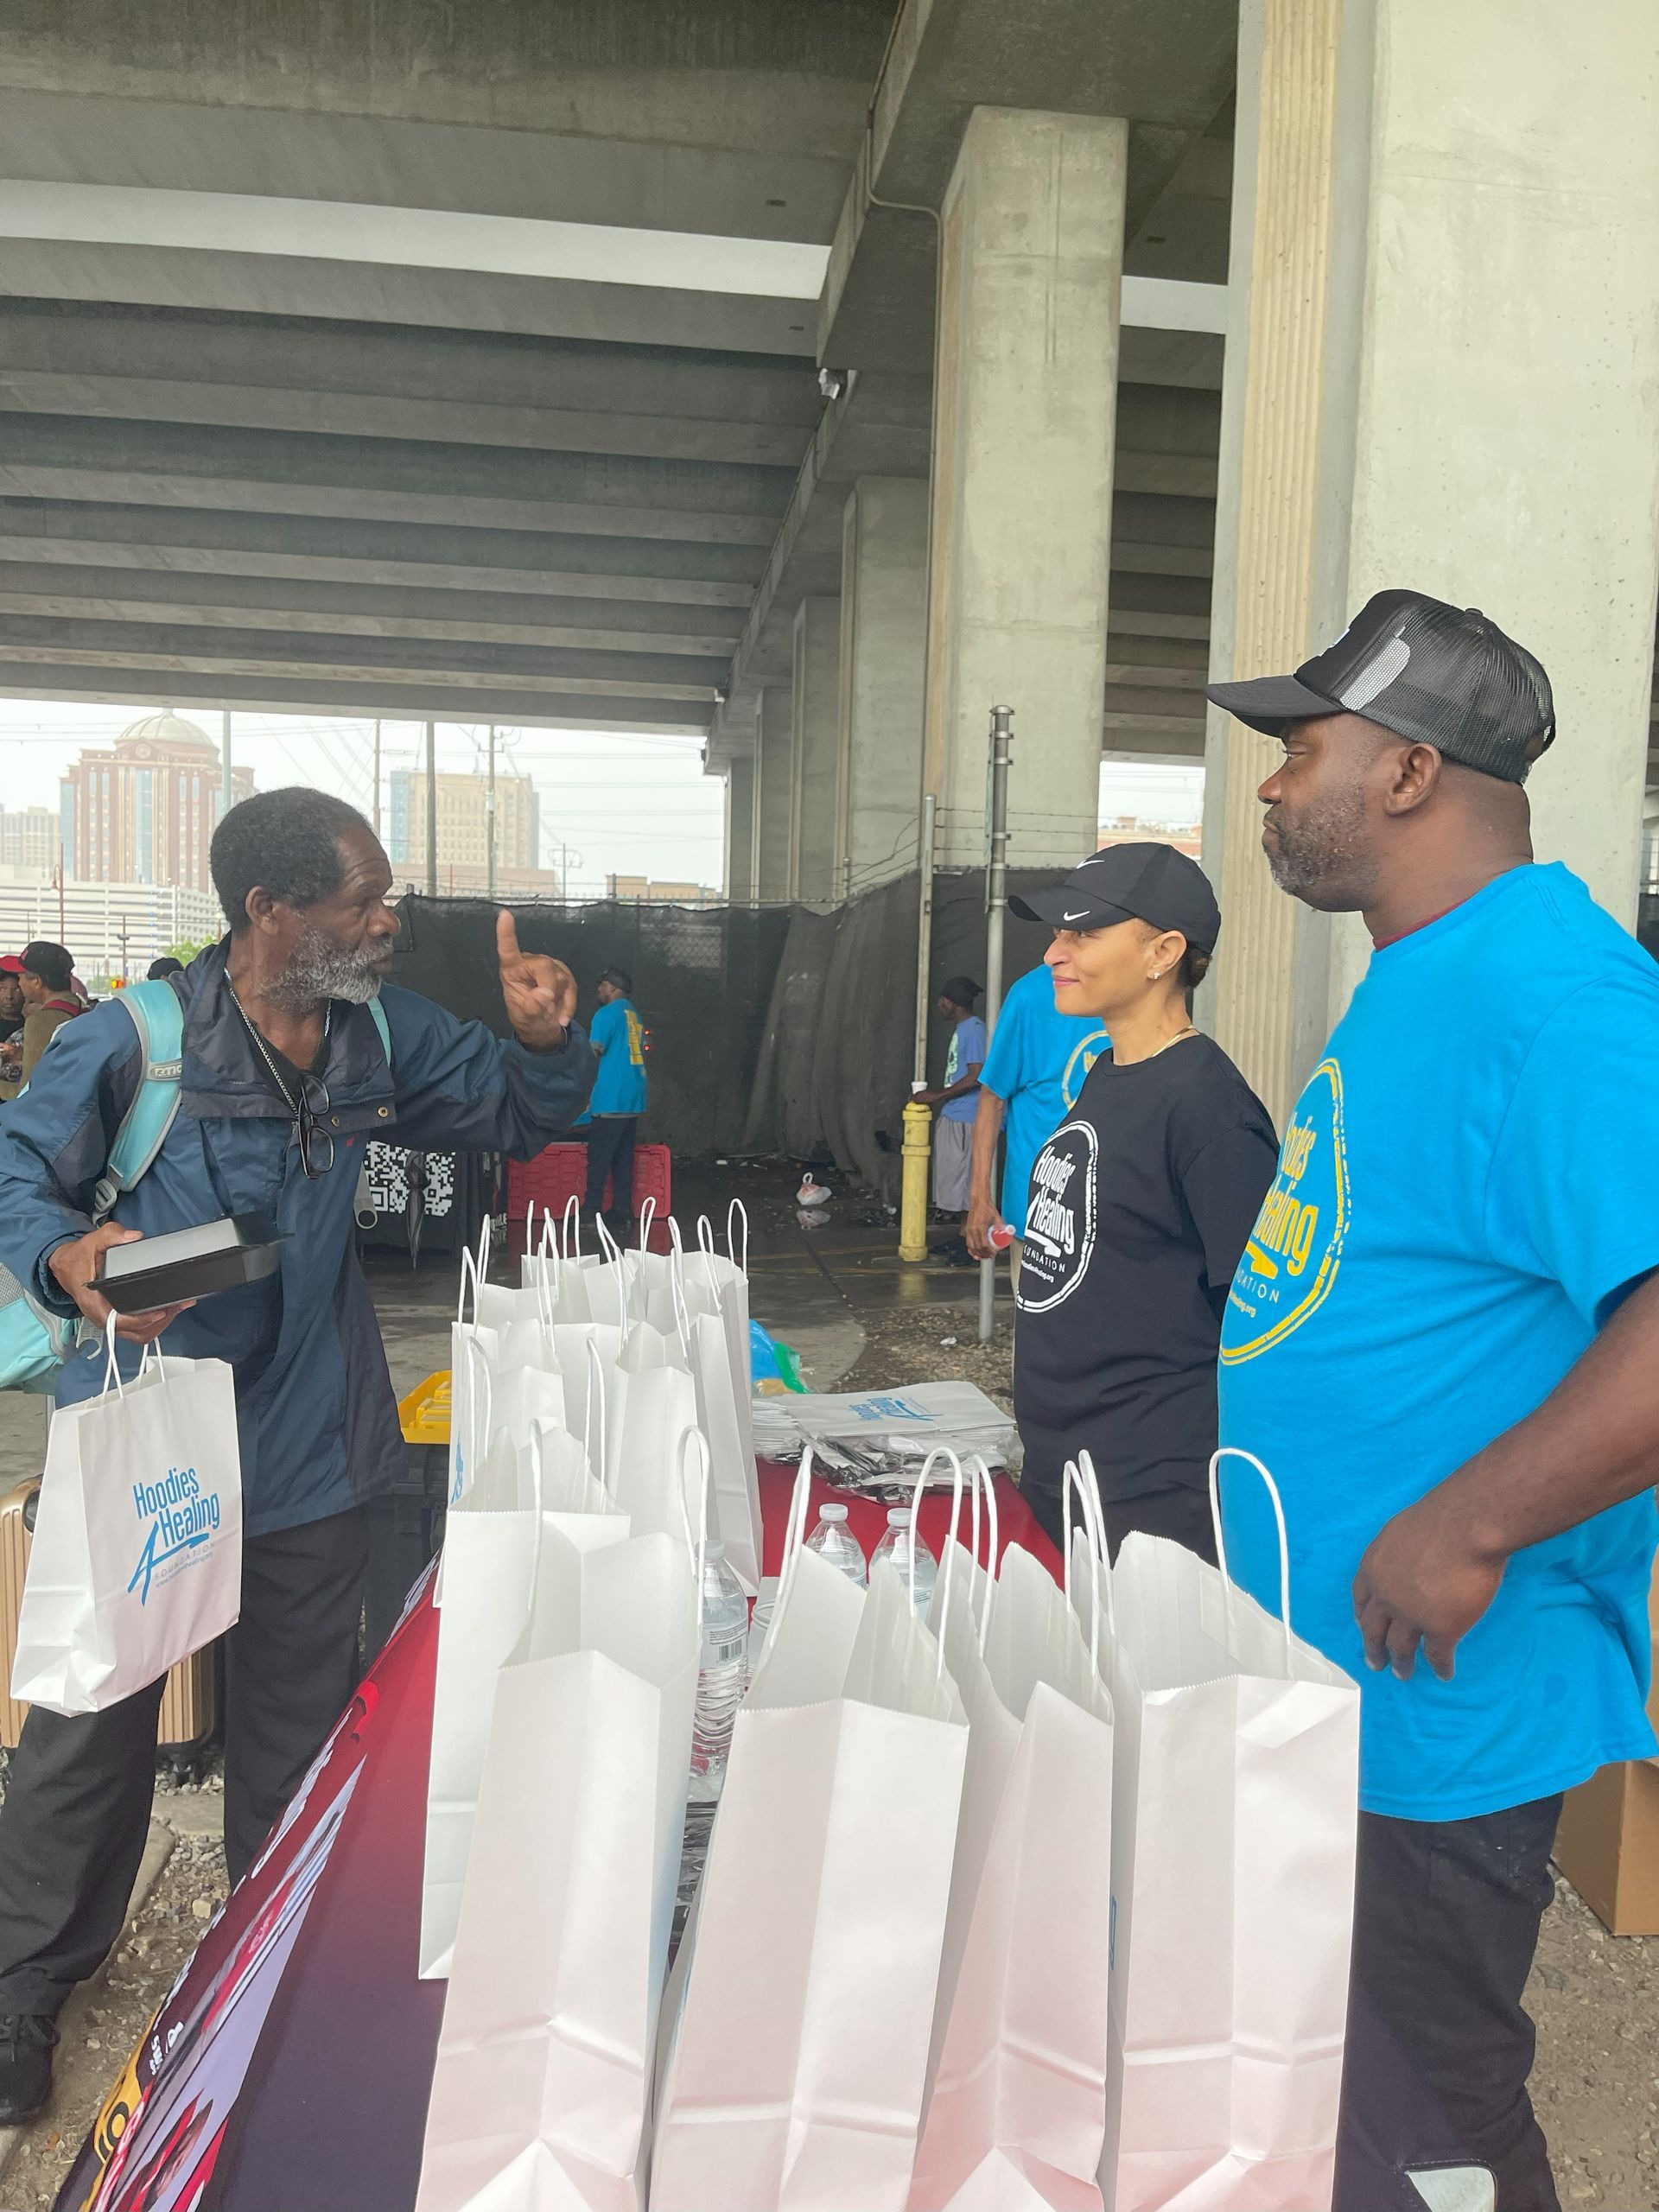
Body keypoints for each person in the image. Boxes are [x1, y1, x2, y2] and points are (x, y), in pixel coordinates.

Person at [0, 788, 594, 2124]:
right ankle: (21, 1994)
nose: (388, 923)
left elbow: (507, 1111)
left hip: (317, 1447)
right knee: (89, 1730)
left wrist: (547, 1042)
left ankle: (266, 1975)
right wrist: (71, 1253)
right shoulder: (133, 1044)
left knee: (298, 1737)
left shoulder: (377, 1032)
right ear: (272, 911)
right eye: (362, 900)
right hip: (151, 1442)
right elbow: (17, 1171)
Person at [1207, 589, 1659, 2210]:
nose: (1270, 787)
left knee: (1428, 2108)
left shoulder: (1562, 996)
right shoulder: (1427, 976)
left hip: (1440, 1698)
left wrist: (1466, 1525)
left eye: (1299, 750)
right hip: (1335, 1684)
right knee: (1331, 2083)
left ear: (1408, 773)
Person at [1007, 844, 1277, 1563]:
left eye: (1083, 934)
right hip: (1060, 1457)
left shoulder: (1209, 1110)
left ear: (1163, 951)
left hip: (1150, 1487)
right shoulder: (1107, 1071)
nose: (1053, 955)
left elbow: (1257, 1322)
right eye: (1057, 934)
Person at [964, 963, 1109, 1281]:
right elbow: (992, 1097)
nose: (1055, 951)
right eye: (1057, 931)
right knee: (1044, 1328)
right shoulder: (1030, 994)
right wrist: (979, 1198)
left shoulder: (1139, 989)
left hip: (1122, 1214)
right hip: (1043, 1221)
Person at [914, 976, 986, 1244]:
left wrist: (937, 1095)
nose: (939, 1005)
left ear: (953, 1003)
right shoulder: (963, 1028)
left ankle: (969, 1241)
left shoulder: (974, 1030)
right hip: (956, 1113)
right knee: (955, 1180)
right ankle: (961, 1236)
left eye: (943, 1000)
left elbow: (977, 1075)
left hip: (968, 1115)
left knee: (966, 1179)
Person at [583, 965, 646, 1231]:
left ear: (614, 988)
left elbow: (593, 1053)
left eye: (603, 985)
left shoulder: (606, 1014)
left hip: (611, 1094)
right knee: (623, 1157)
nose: (599, 989)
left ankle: (590, 1211)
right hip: (633, 1094)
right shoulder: (635, 1015)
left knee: (598, 1156)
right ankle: (622, 1210)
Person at [14, 944, 82, 1090]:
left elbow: (29, 1090)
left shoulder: (40, 1021)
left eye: (20, 977)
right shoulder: (88, 1010)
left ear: (37, 981)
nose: (19, 983)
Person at [0, 957, 25, 1100]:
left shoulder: (32, 1028)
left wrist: (20, 1055)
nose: (9, 996)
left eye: (16, 989)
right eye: (2, 989)